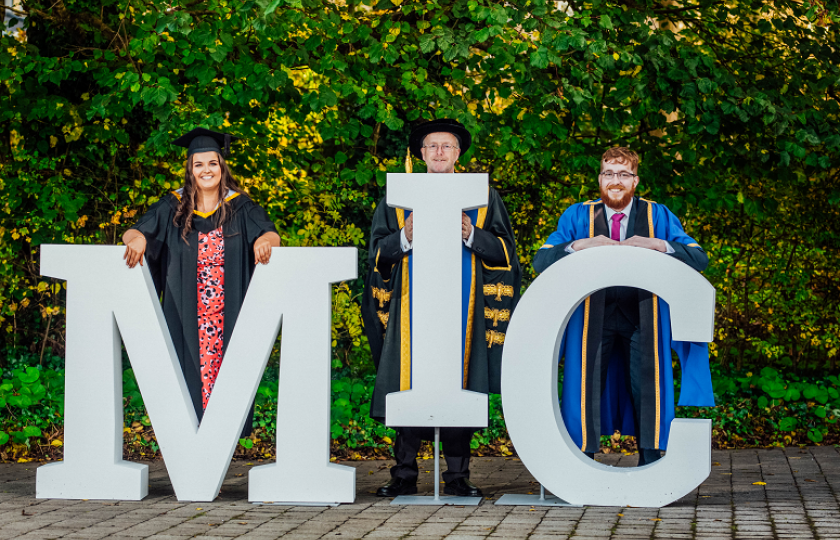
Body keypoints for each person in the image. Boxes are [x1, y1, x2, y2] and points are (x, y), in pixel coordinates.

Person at [362, 119, 521, 497]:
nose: (438, 153)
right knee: (408, 383)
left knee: (459, 383)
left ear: (458, 153)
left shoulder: (482, 197)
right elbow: (376, 254)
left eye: (446, 146)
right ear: (420, 154)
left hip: (461, 311)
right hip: (410, 310)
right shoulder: (398, 198)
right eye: (431, 146)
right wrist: (404, 236)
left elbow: (506, 253)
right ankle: (403, 474)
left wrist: (471, 234)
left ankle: (458, 476)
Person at [533, 147, 714, 465]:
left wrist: (660, 244)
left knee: (647, 385)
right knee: (583, 385)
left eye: (623, 174)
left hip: (644, 315)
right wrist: (579, 244)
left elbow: (699, 258)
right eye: (608, 173)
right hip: (591, 315)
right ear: (599, 178)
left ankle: (651, 459)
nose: (615, 180)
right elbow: (541, 260)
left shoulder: (657, 216)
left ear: (636, 180)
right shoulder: (578, 216)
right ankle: (581, 459)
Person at [122, 128, 281, 435]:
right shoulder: (172, 206)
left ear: (222, 167)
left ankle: (215, 456)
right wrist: (138, 239)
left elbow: (270, 232)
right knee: (185, 383)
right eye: (199, 164)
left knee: (227, 386)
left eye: (212, 163)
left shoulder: (241, 206)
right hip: (184, 314)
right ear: (190, 170)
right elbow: (135, 231)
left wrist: (266, 241)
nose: (206, 170)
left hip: (229, 314)